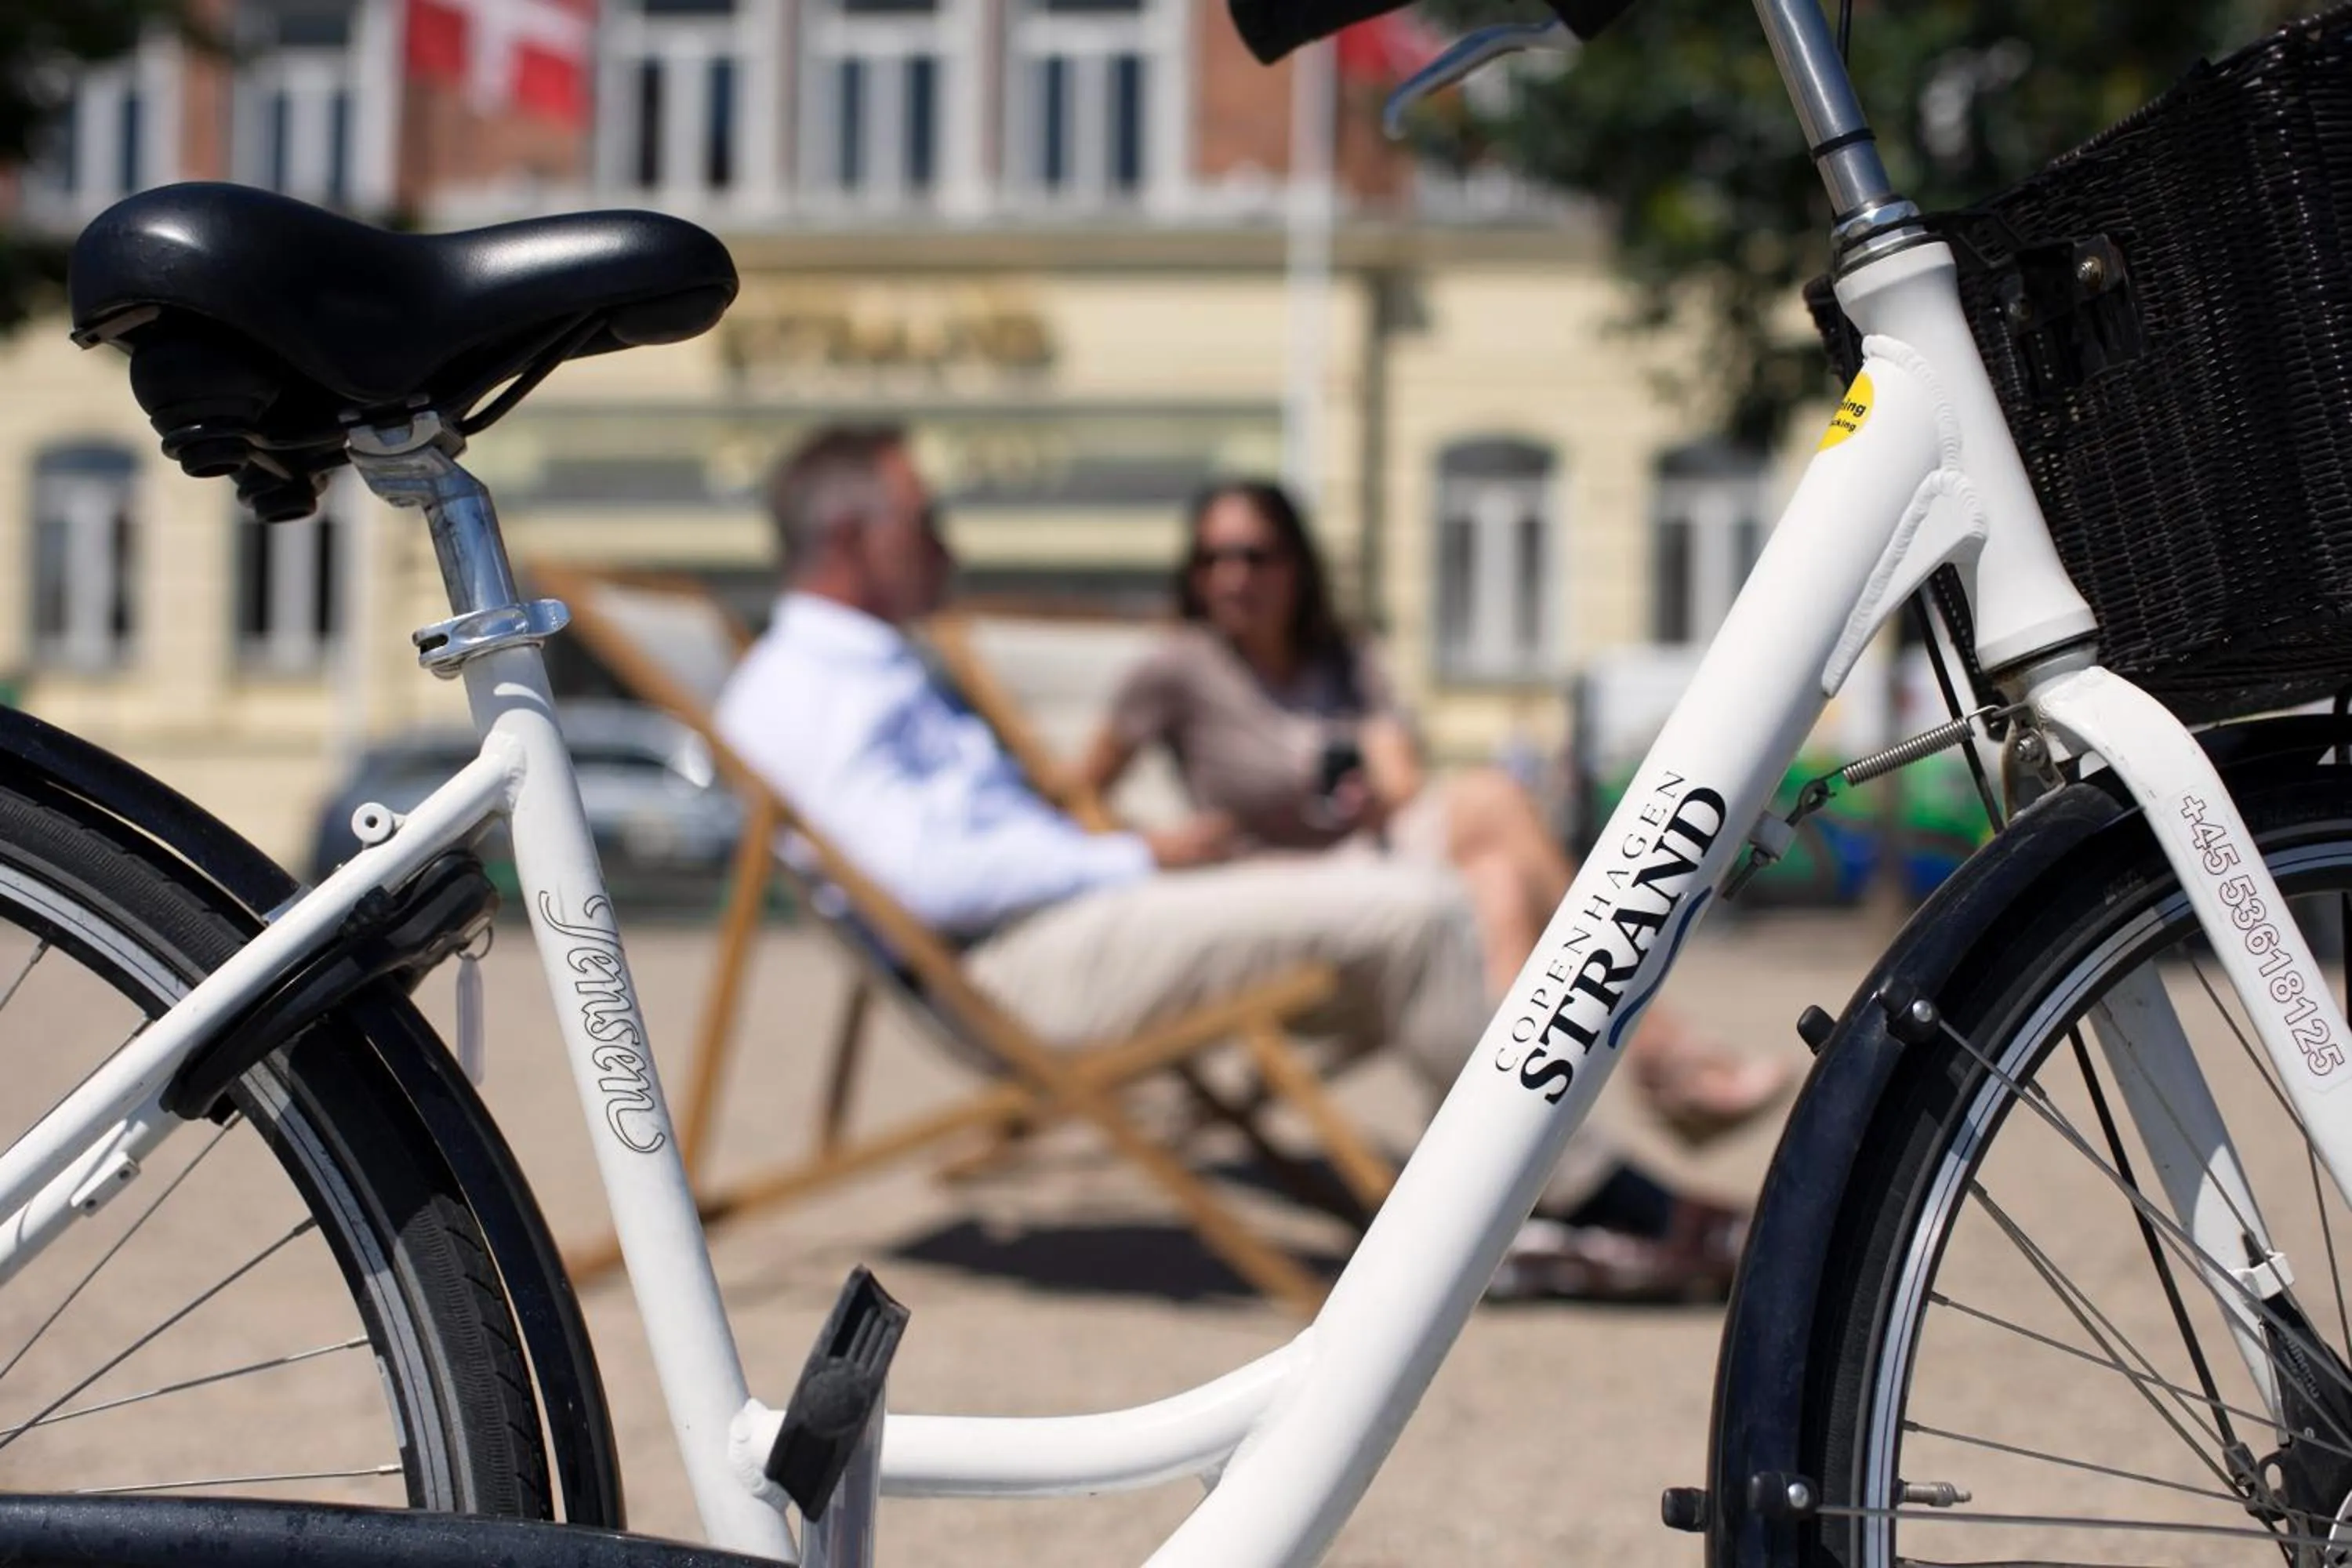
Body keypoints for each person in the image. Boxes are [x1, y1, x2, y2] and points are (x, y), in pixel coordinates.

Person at [714, 426, 1746, 1301]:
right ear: (853, 539)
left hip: (1059, 926)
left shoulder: (857, 671)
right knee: (1420, 915)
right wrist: (1123, 857)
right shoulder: (804, 691)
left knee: (1445, 881)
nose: (946, 541)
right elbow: (929, 882)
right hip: (1024, 965)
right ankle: (1580, 1201)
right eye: (923, 519)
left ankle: (1546, 1189)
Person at [1077, 478, 1795, 1145]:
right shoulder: (1177, 668)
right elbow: (1079, 793)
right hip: (1272, 896)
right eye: (1211, 558)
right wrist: (1152, 847)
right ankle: (1659, 1053)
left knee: (1499, 878)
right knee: (1492, 801)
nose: (1232, 576)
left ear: (1296, 565)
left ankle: (1508, 1125)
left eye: (1254, 555)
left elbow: (1400, 778)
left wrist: (1371, 793)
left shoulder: (1342, 659)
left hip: (1367, 861)